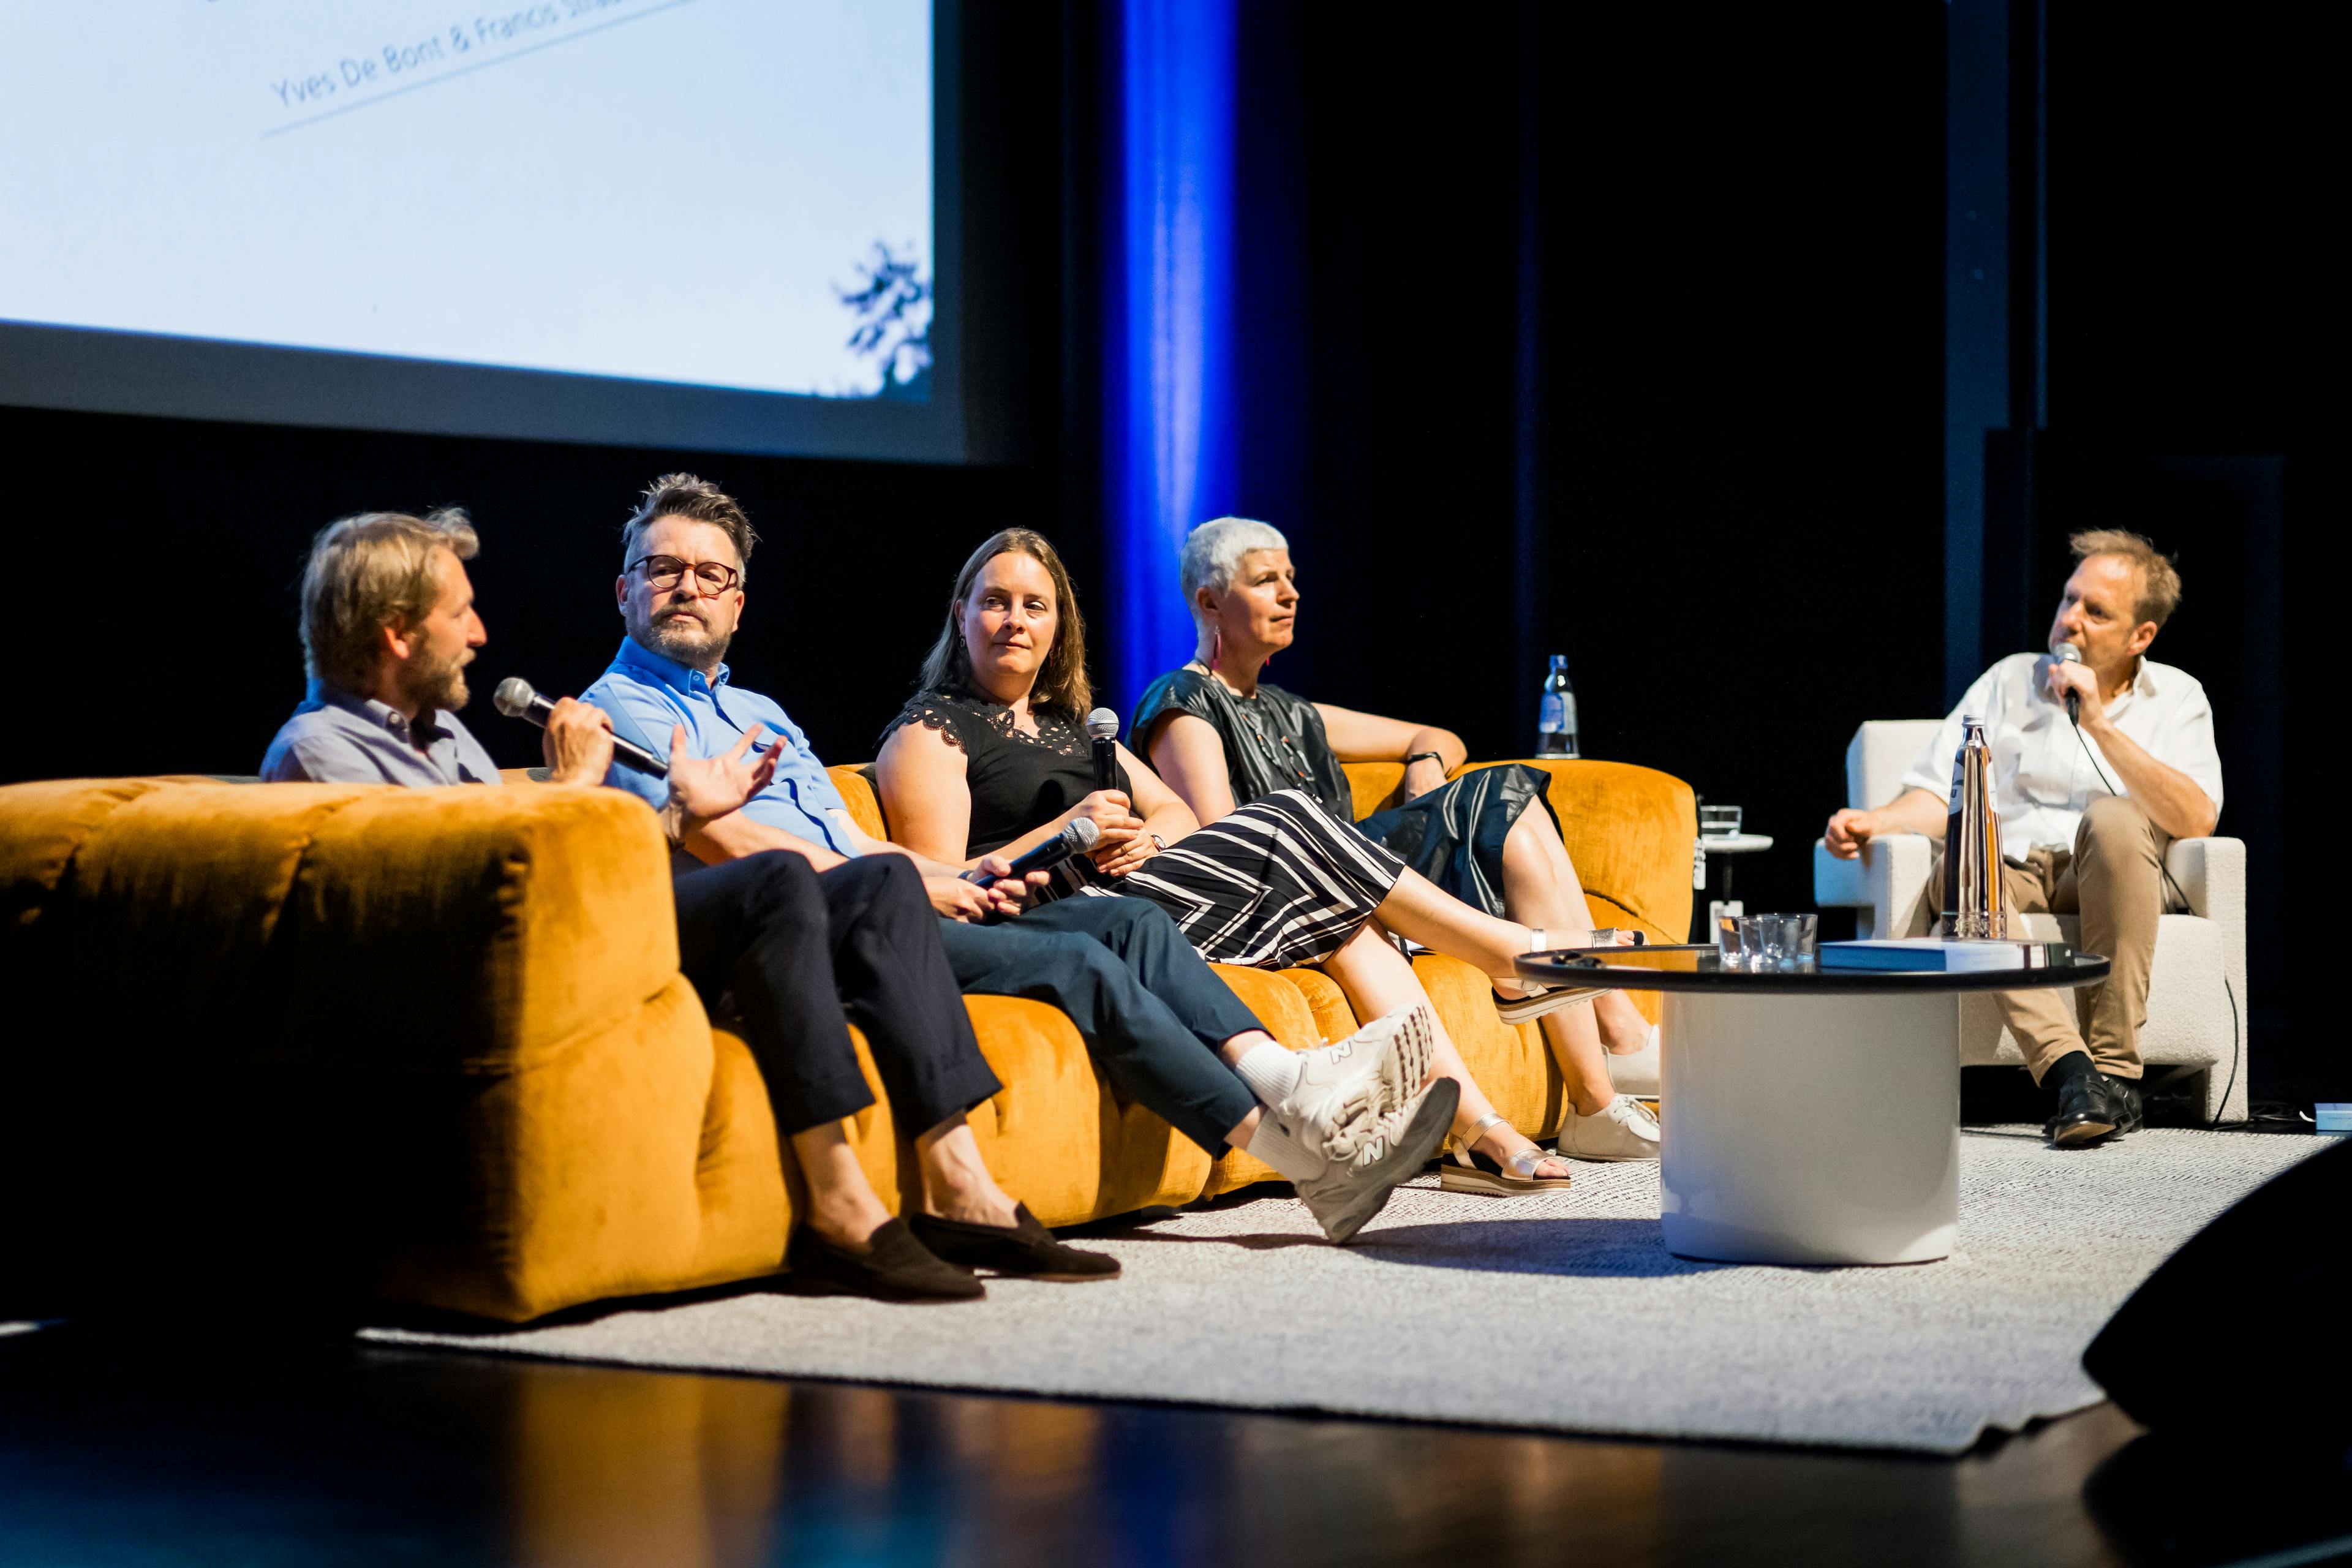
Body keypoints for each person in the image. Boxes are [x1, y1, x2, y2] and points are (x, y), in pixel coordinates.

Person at [260, 507, 1120, 1302]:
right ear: (395, 632)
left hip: (597, 933)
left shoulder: (443, 738)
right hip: (534, 972)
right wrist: (587, 797)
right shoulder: (321, 751)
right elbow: (459, 903)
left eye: (713, 576)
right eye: (460, 615)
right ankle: (839, 1201)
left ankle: (958, 1183)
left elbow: (528, 868)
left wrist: (677, 813)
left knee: (885, 879)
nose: (482, 634)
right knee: (783, 881)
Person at [579, 475, 1455, 1245]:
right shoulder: (612, 713)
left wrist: (954, 881)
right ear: (625, 591)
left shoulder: (766, 712)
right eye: (665, 570)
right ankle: (1303, 1151)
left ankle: (1290, 1089)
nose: (687, 588)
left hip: (890, 897)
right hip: (821, 931)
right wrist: (948, 873)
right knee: (1080, 954)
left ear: (739, 603)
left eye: (712, 575)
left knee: (1131, 916)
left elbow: (867, 849)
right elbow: (725, 844)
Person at [875, 529, 1662, 1199]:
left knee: (1351, 917)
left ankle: (1474, 1125)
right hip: (1064, 918)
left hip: (1143, 890)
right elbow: (951, 885)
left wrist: (1150, 836)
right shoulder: (935, 730)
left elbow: (1175, 813)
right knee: (1286, 815)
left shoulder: (1074, 723)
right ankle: (1512, 953)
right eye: (996, 601)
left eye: (1034, 605)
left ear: (1058, 627)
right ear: (961, 614)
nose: (1015, 620)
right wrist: (1066, 831)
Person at [1134, 515, 1662, 1174]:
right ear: (1210, 601)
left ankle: (1604, 1068)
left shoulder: (1290, 709)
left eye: (1292, 579)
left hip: (1365, 876)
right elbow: (1225, 840)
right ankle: (1598, 1062)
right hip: (1295, 893)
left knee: (1511, 804)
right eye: (1267, 580)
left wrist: (1425, 771)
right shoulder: (1184, 700)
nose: (1291, 593)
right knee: (1499, 802)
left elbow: (1434, 735)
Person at [1823, 529, 2223, 1147]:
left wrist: (2095, 722)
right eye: (2069, 599)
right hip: (2008, 872)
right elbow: (1939, 793)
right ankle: (2075, 1073)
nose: (2070, 620)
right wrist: (1879, 820)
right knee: (1967, 850)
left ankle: (2117, 1066)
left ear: (2141, 635)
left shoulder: (2177, 697)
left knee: (2116, 815)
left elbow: (2196, 818)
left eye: (2096, 611)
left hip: (2106, 873)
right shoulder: (2009, 680)